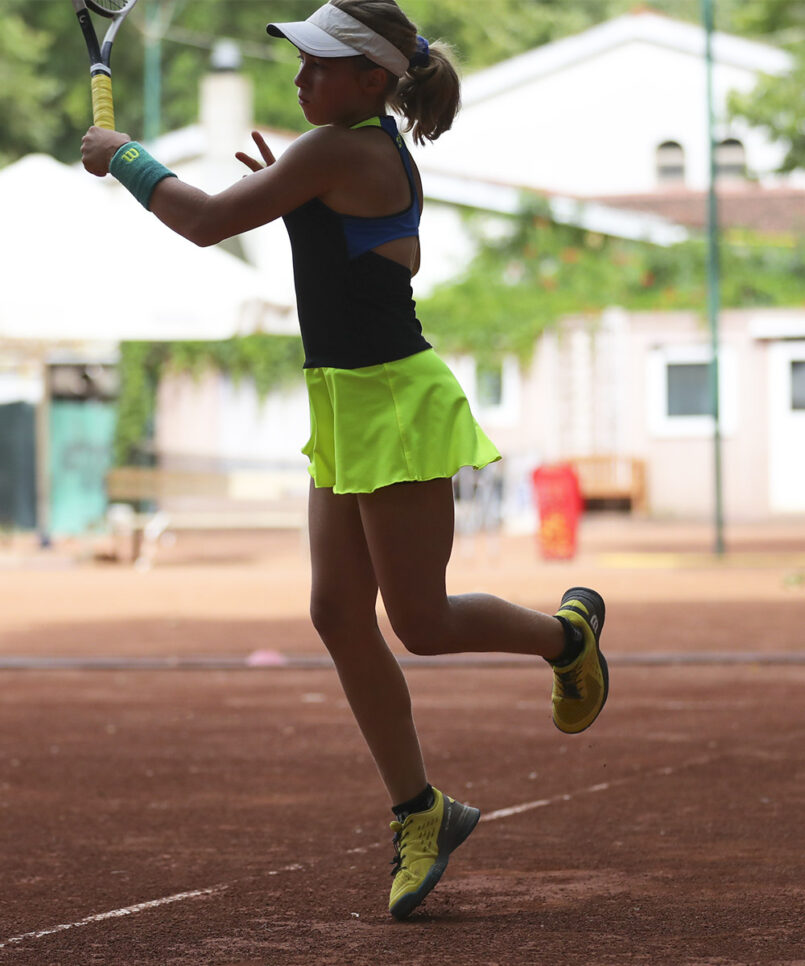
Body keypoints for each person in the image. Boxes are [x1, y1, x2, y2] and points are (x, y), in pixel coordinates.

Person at [81, 0, 609, 921]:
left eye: (318, 64)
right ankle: (420, 810)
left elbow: (203, 222)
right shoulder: (346, 153)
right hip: (346, 398)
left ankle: (568, 637)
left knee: (421, 622)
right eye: (298, 60)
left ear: (373, 82)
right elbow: (367, 249)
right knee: (334, 611)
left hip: (394, 403)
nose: (298, 76)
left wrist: (123, 157)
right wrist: (294, 204)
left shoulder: (339, 150)